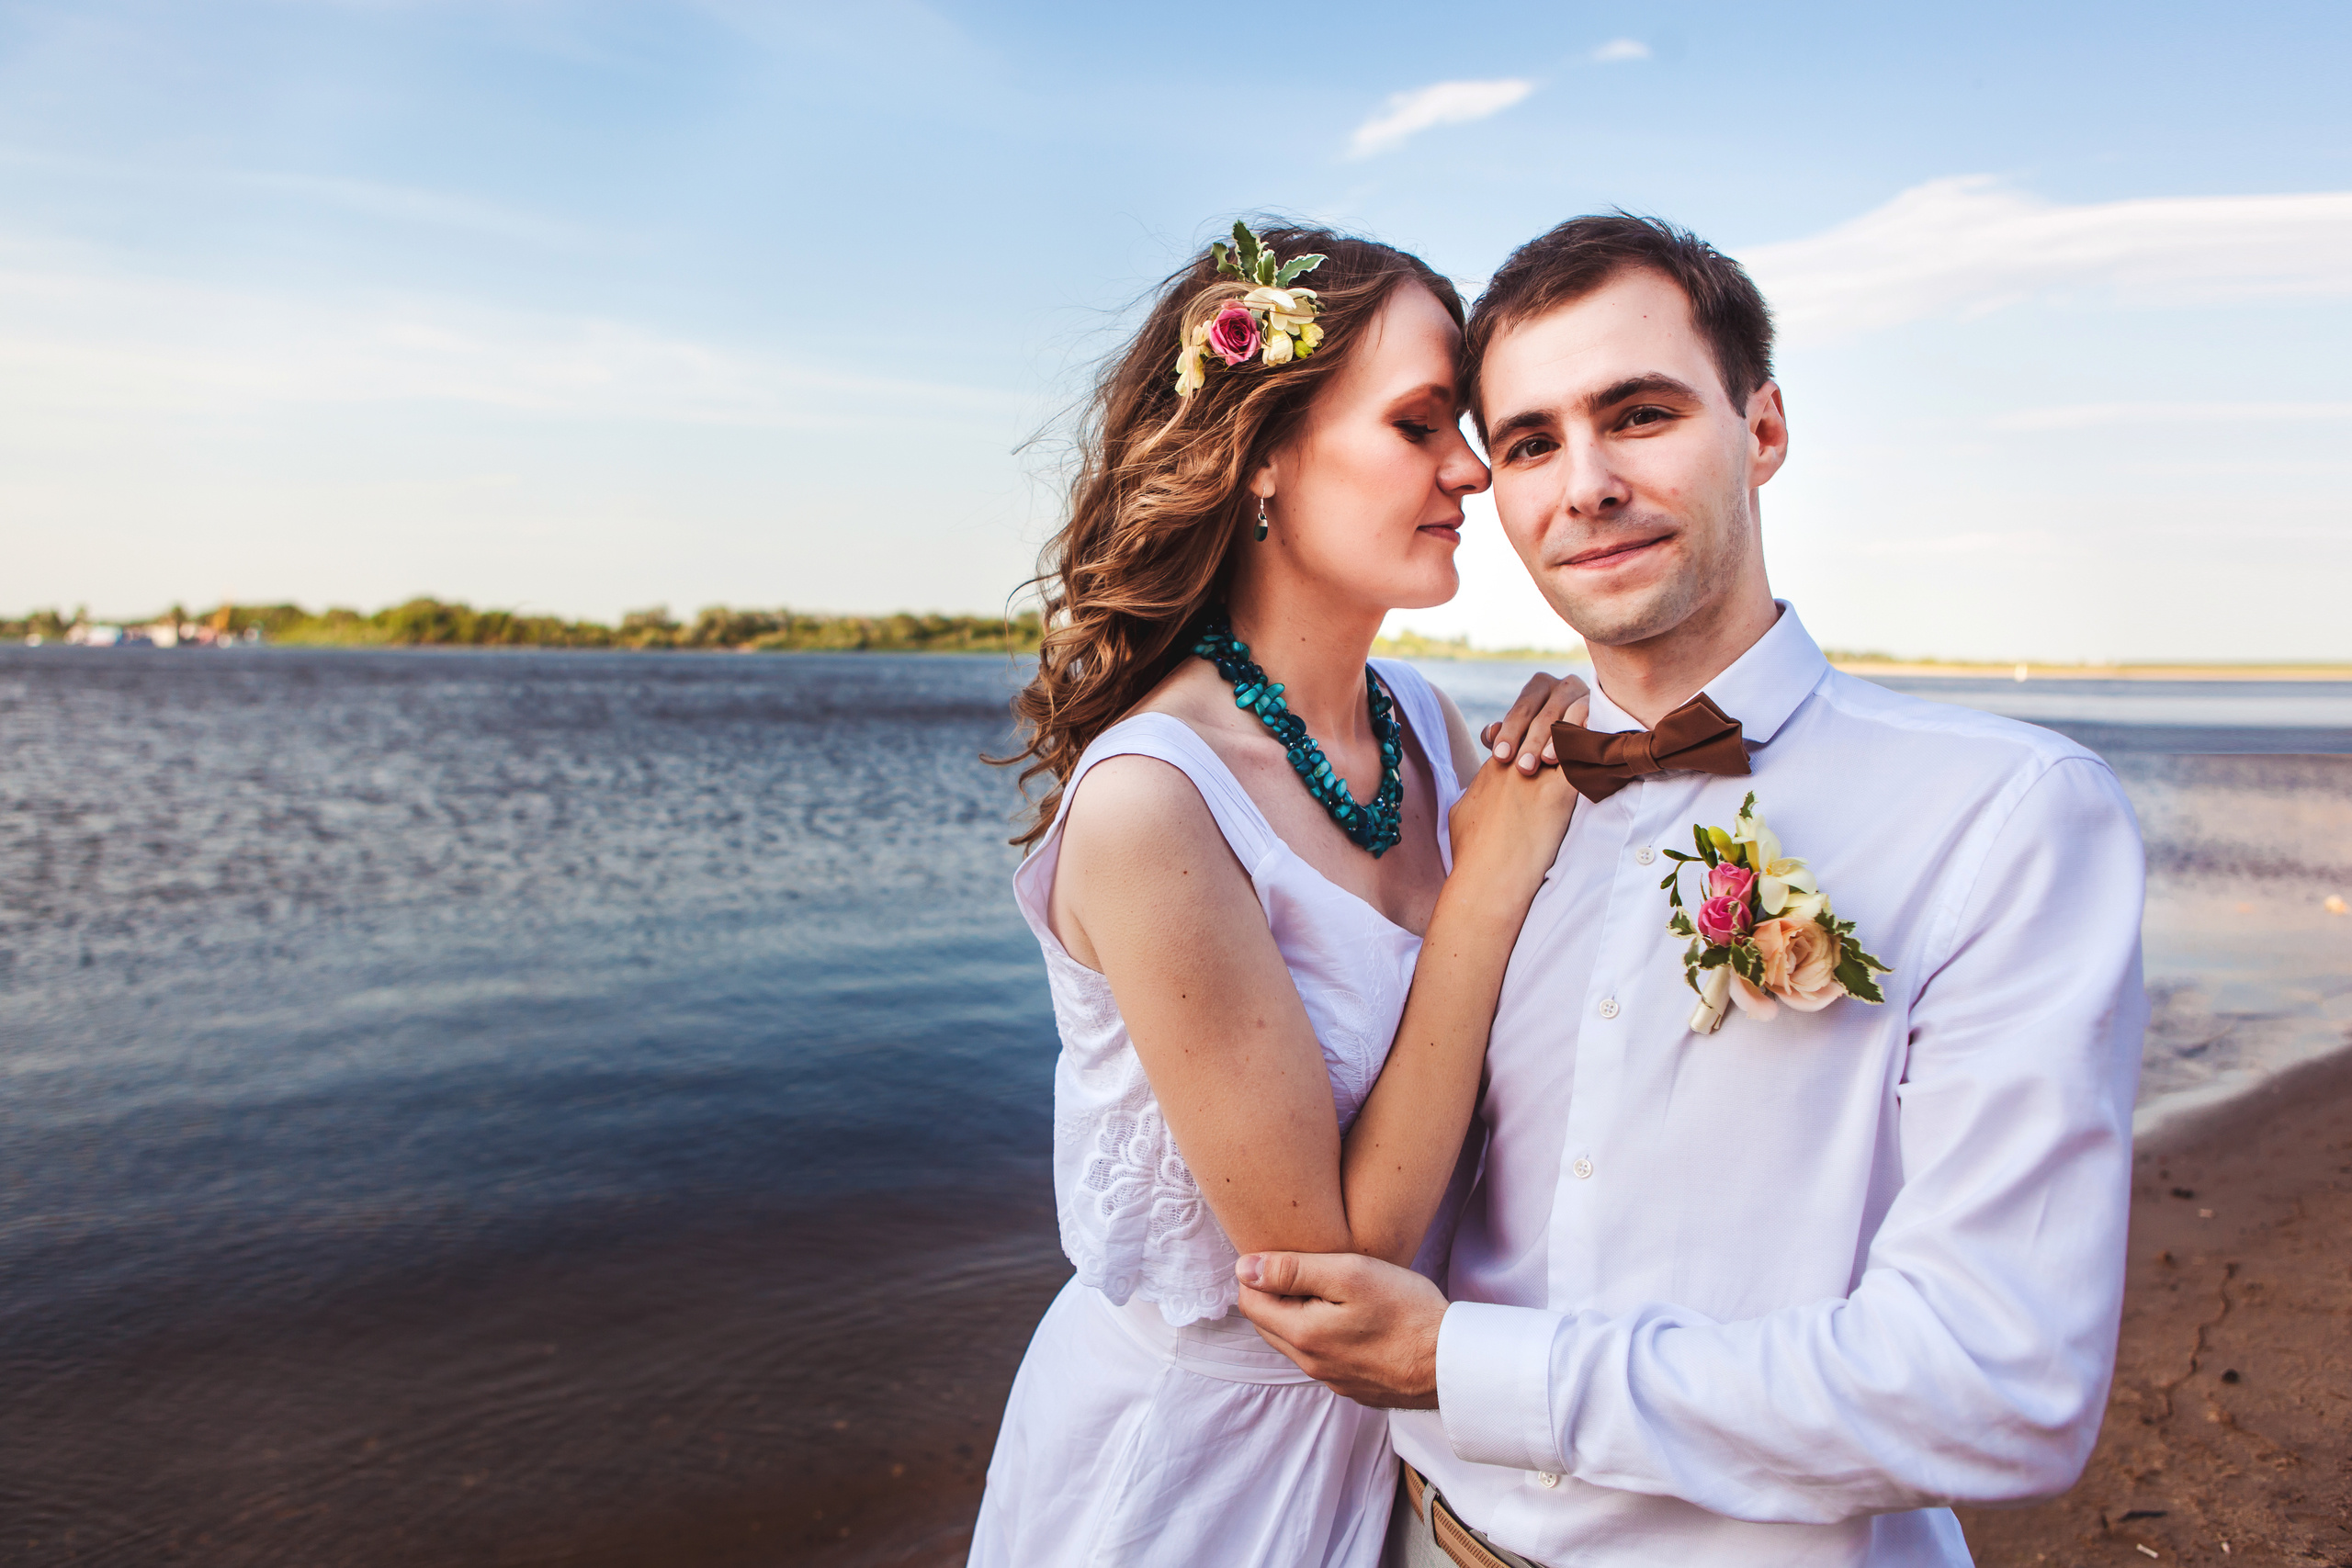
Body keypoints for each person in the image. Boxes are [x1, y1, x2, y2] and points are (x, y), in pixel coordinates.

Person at [1237, 215, 2150, 1568]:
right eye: (1533, 441)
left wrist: (1464, 1366)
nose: (1585, 484)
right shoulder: (1472, 813)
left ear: (1764, 430)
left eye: (1641, 414)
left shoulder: (2004, 817)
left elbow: (2001, 1382)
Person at [967, 222, 1592, 1568]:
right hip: (1191, 1473)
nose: (1474, 472)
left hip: (1409, 1446)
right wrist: (1487, 886)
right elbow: (1334, 1266)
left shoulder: (1424, 724)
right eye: (1421, 423)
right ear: (1261, 454)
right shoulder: (1156, 806)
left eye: (1467, 428)